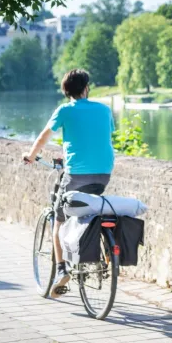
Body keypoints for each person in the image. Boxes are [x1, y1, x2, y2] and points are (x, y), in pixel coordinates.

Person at [22, 69, 115, 297]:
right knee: (89, 208)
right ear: (86, 88)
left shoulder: (65, 110)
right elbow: (97, 137)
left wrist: (31, 156)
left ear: (66, 91)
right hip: (103, 173)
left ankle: (62, 270)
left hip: (76, 175)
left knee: (59, 221)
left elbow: (44, 136)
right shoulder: (104, 109)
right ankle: (103, 253)